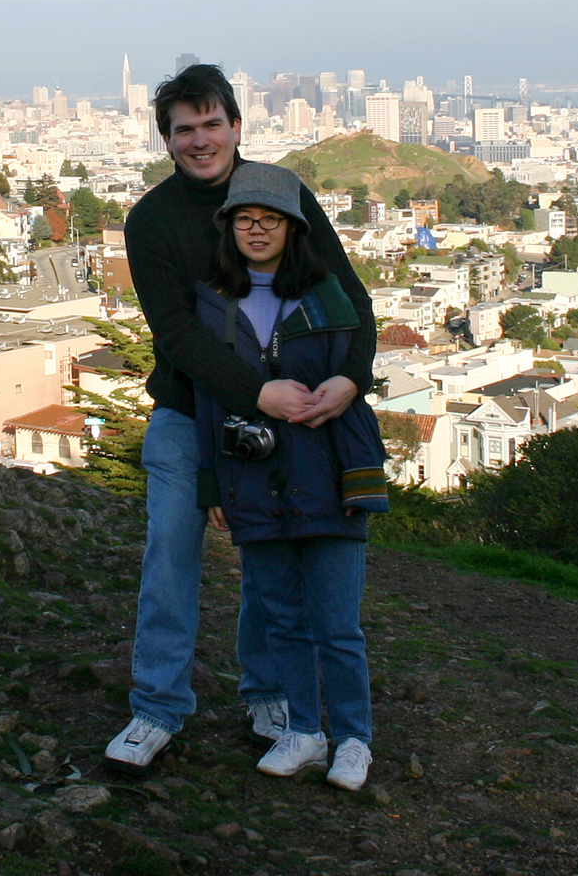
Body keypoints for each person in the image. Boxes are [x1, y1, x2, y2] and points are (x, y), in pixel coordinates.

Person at [104, 66, 376, 769]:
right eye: (183, 130)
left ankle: (271, 695)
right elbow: (176, 335)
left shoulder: (281, 193)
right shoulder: (153, 220)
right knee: (171, 553)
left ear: (236, 126)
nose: (200, 141)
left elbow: (350, 298)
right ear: (166, 140)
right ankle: (156, 707)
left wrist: (352, 377)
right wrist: (258, 394)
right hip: (188, 410)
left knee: (269, 557)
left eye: (211, 124)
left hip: (290, 415)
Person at [194, 162, 387, 791]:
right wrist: (210, 484)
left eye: (270, 219)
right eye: (245, 219)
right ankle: (304, 731)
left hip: (326, 473)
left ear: (293, 229)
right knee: (281, 617)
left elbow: (353, 378)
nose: (257, 230)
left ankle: (353, 739)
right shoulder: (213, 303)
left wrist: (357, 461)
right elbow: (207, 399)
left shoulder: (327, 295)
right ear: (229, 228)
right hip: (251, 477)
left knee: (337, 624)